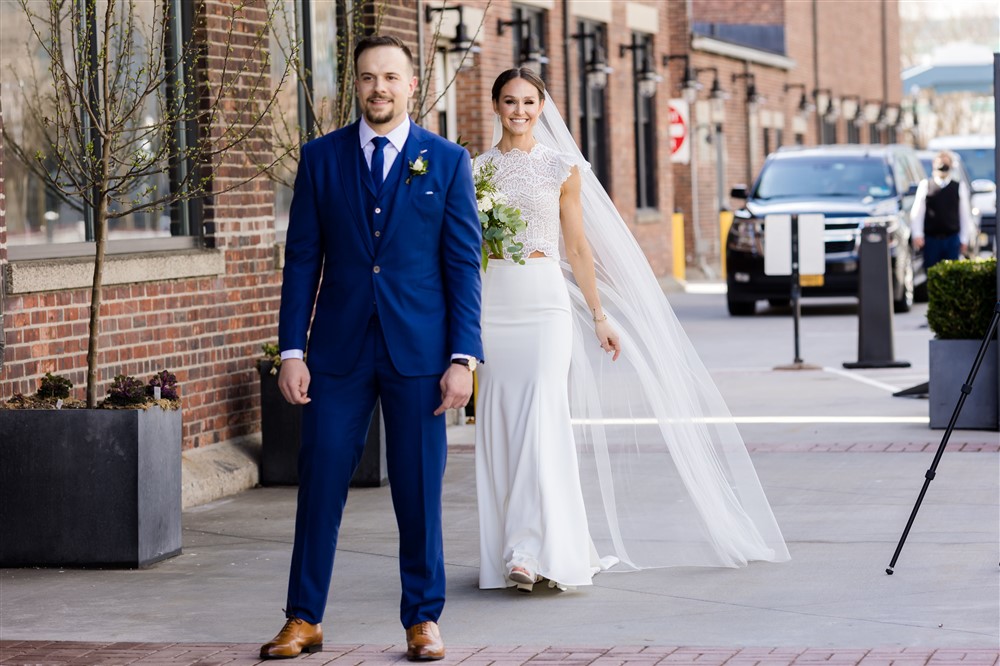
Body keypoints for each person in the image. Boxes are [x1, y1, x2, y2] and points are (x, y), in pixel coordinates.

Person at [475, 69, 789, 594]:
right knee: (501, 424)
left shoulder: (561, 167)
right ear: (495, 105)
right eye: (510, 101)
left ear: (542, 106)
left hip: (545, 305)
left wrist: (599, 316)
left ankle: (528, 550)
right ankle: (516, 543)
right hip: (495, 306)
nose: (520, 111)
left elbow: (576, 248)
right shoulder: (474, 170)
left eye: (529, 102)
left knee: (540, 420)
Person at [260, 35, 482, 660]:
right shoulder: (322, 158)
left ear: (412, 84)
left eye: (390, 77)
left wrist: (463, 357)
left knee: (418, 491)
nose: (378, 87)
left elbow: (463, 268)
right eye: (366, 78)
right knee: (321, 480)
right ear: (354, 86)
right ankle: (303, 618)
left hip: (421, 354)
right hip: (337, 352)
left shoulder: (446, 161)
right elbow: (302, 259)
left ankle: (422, 620)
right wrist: (292, 350)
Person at [911, 151, 976, 270]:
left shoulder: (958, 186)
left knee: (952, 273)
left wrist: (964, 239)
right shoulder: (926, 185)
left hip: (951, 238)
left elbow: (964, 215)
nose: (942, 166)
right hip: (931, 239)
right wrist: (917, 234)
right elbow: (917, 212)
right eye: (940, 163)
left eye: (945, 163)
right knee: (931, 273)